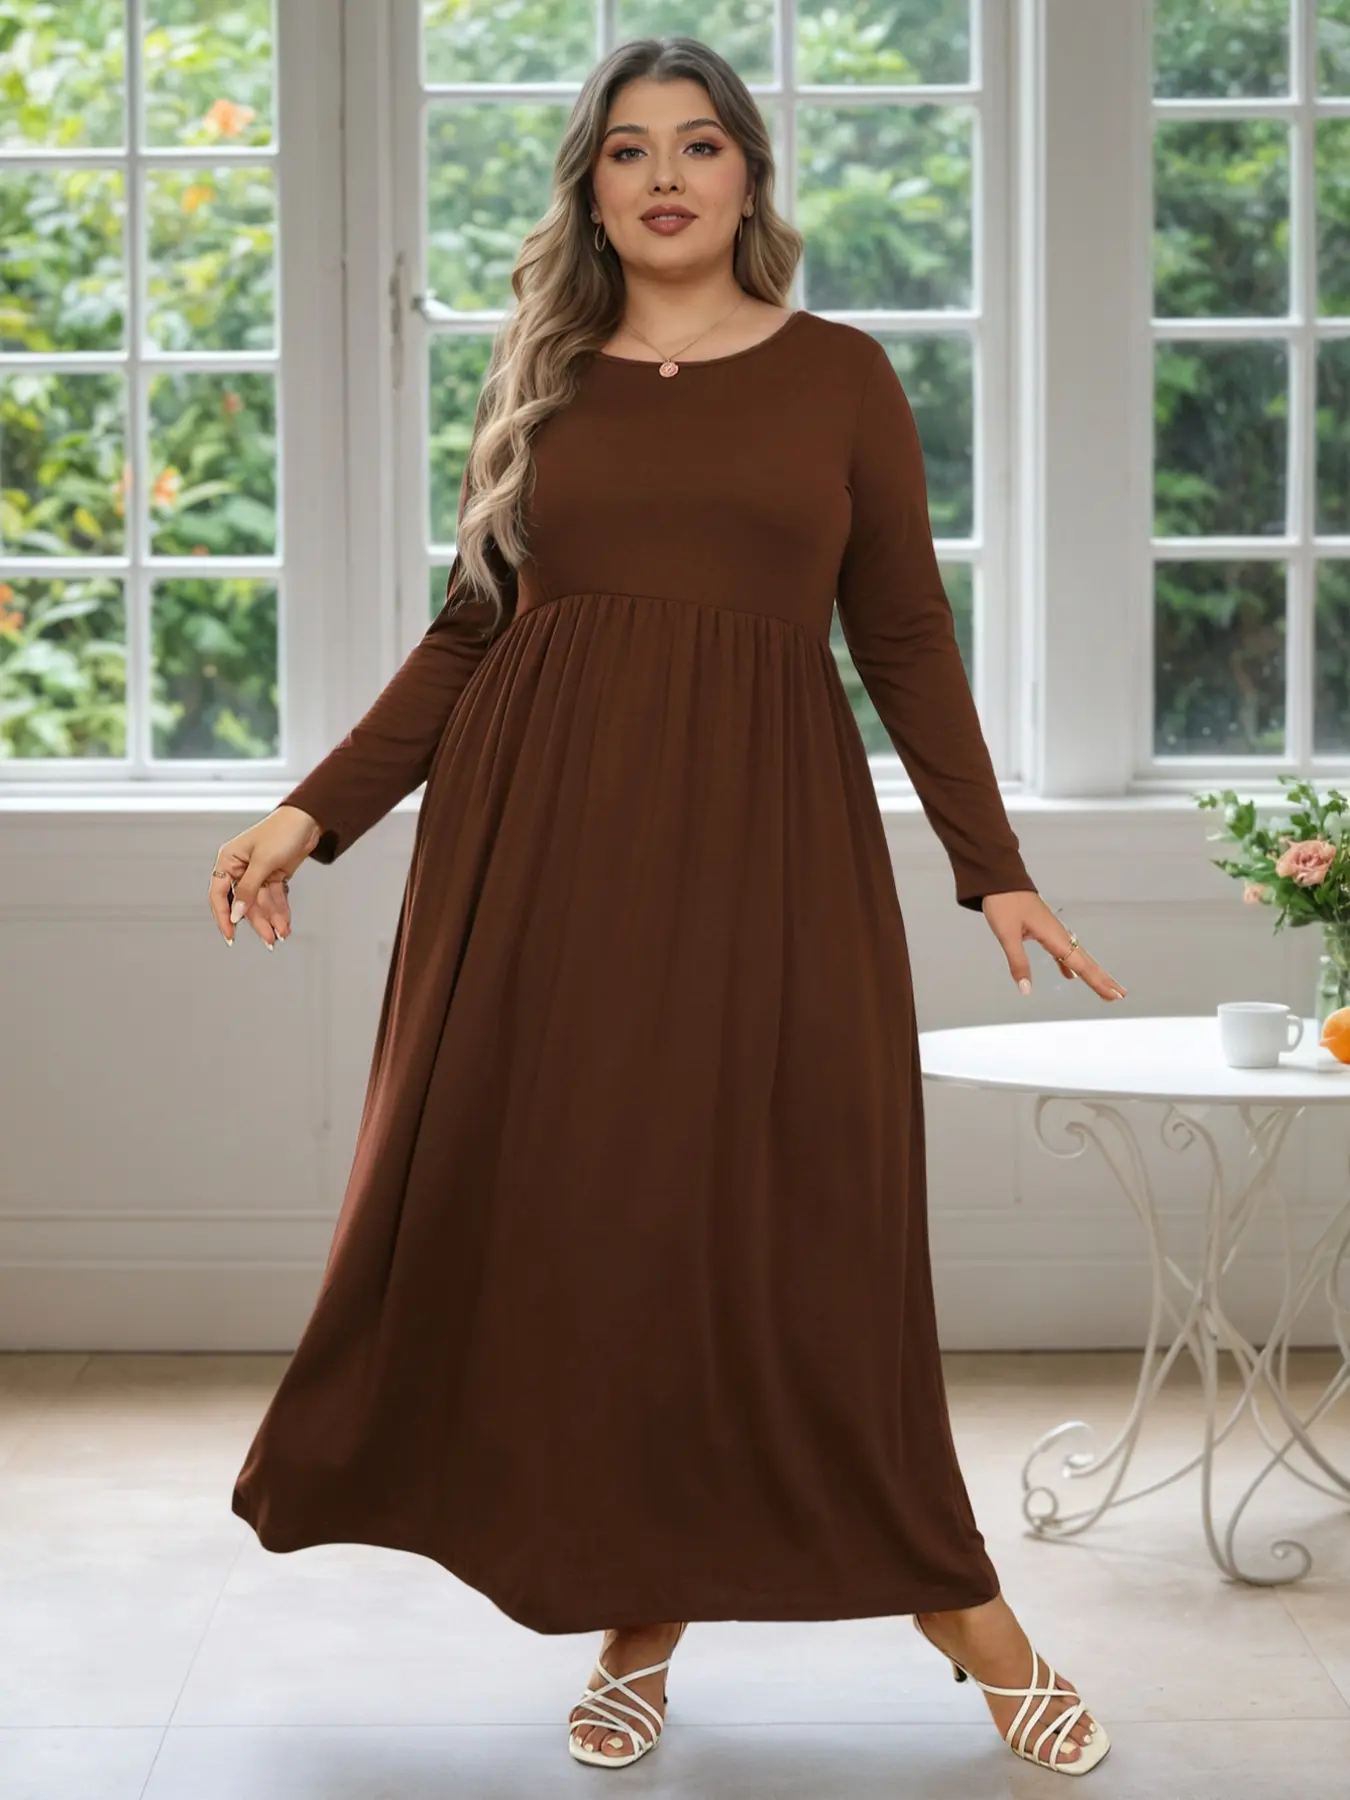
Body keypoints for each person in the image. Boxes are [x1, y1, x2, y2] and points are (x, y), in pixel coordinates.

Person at [213, 35, 1127, 1780]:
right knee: (605, 1230)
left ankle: (958, 1606)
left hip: (766, 848)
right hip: (540, 858)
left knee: (796, 1228)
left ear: (747, 174)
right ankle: (636, 1617)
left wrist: (991, 864)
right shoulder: (542, 374)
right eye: (626, 148)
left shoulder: (841, 375)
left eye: (698, 144)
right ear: (589, 188)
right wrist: (311, 810)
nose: (663, 176)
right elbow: (472, 628)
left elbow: (901, 633)